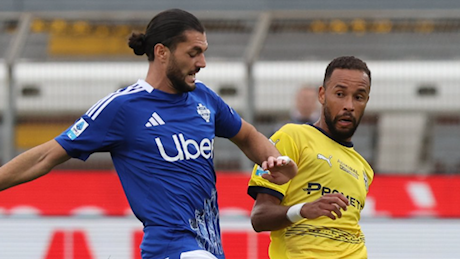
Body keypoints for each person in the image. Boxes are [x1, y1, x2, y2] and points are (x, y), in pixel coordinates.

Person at [0, 9, 296, 259]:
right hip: (170, 248)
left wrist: (273, 159)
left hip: (209, 247)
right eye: (194, 53)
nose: (202, 63)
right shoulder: (123, 108)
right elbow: (45, 156)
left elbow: (246, 135)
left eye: (203, 53)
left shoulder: (204, 99)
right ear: (161, 52)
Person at [248, 56, 374, 259]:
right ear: (322, 95)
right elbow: (259, 218)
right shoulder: (292, 137)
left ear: (366, 101)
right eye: (340, 94)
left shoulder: (364, 168)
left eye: (358, 97)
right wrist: (303, 210)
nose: (349, 105)